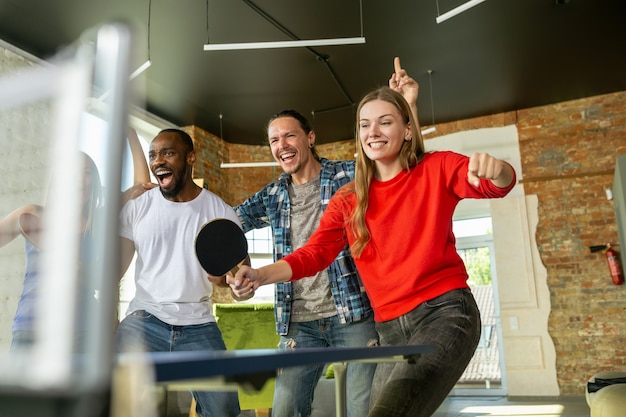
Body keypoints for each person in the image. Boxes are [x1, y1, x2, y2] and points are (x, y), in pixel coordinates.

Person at [229, 79, 517, 415]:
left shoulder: (435, 168)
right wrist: (260, 275)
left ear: (407, 129)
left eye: (385, 122)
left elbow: (498, 185)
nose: (373, 132)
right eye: (365, 125)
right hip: (389, 328)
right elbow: (314, 254)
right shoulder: (349, 198)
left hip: (444, 313)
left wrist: (499, 170)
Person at [230, 57, 419, 417]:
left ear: (310, 138)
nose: (281, 144)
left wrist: (405, 105)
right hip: (298, 322)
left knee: (362, 409)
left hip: (352, 314)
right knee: (285, 410)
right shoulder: (271, 196)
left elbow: (404, 165)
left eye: (289, 135)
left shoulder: (349, 175)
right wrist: (235, 267)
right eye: (273, 139)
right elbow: (227, 224)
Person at [116, 128, 241, 417]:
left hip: (199, 323)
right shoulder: (137, 207)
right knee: (117, 399)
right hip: (144, 319)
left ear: (191, 157)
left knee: (224, 409)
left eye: (168, 153)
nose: (158, 160)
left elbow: (238, 279)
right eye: (153, 155)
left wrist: (237, 285)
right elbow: (113, 273)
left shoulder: (219, 210)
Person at [1, 129, 149, 350]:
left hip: (81, 332)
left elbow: (143, 191)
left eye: (87, 172)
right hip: (31, 330)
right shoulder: (34, 215)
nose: (80, 178)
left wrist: (132, 135)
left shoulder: (98, 223)